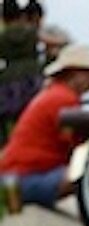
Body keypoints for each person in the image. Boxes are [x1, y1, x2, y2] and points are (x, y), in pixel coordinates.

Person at [0, 44, 89, 208]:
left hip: (12, 177)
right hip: (20, 181)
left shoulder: (53, 93)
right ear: (75, 73)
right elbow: (74, 148)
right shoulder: (64, 100)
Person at [0, 0, 43, 145]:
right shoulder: (31, 33)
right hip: (32, 75)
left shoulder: (3, 37)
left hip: (8, 78)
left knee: (9, 118)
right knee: (32, 113)